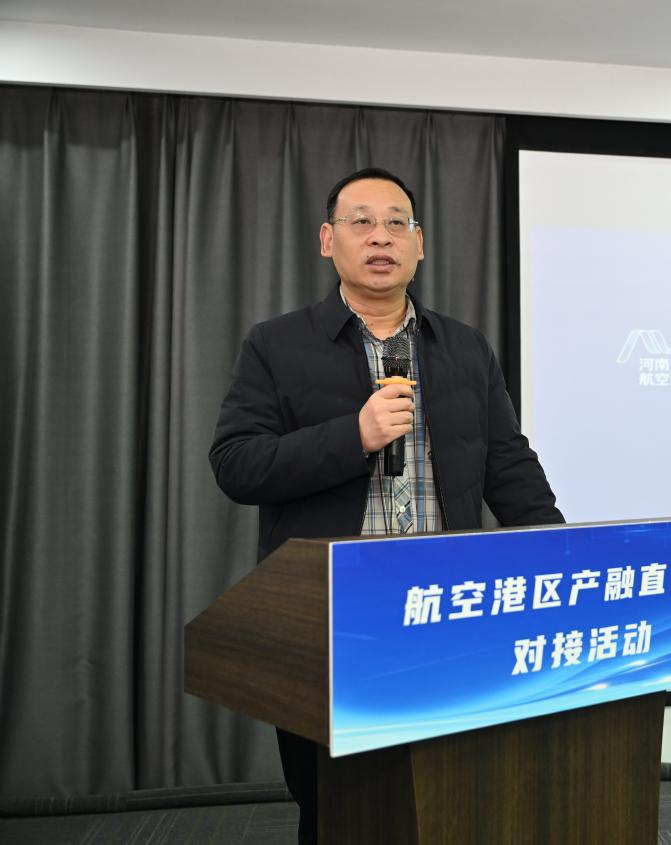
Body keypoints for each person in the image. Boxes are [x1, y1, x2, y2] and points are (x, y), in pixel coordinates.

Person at [209, 166, 563, 843]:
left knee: (451, 793)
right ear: (328, 240)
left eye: (397, 223)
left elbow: (508, 465)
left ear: (419, 244)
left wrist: (559, 552)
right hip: (333, 615)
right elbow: (236, 464)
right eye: (361, 222)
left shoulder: (463, 346)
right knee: (336, 805)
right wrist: (354, 436)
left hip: (445, 607)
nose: (381, 237)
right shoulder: (276, 344)